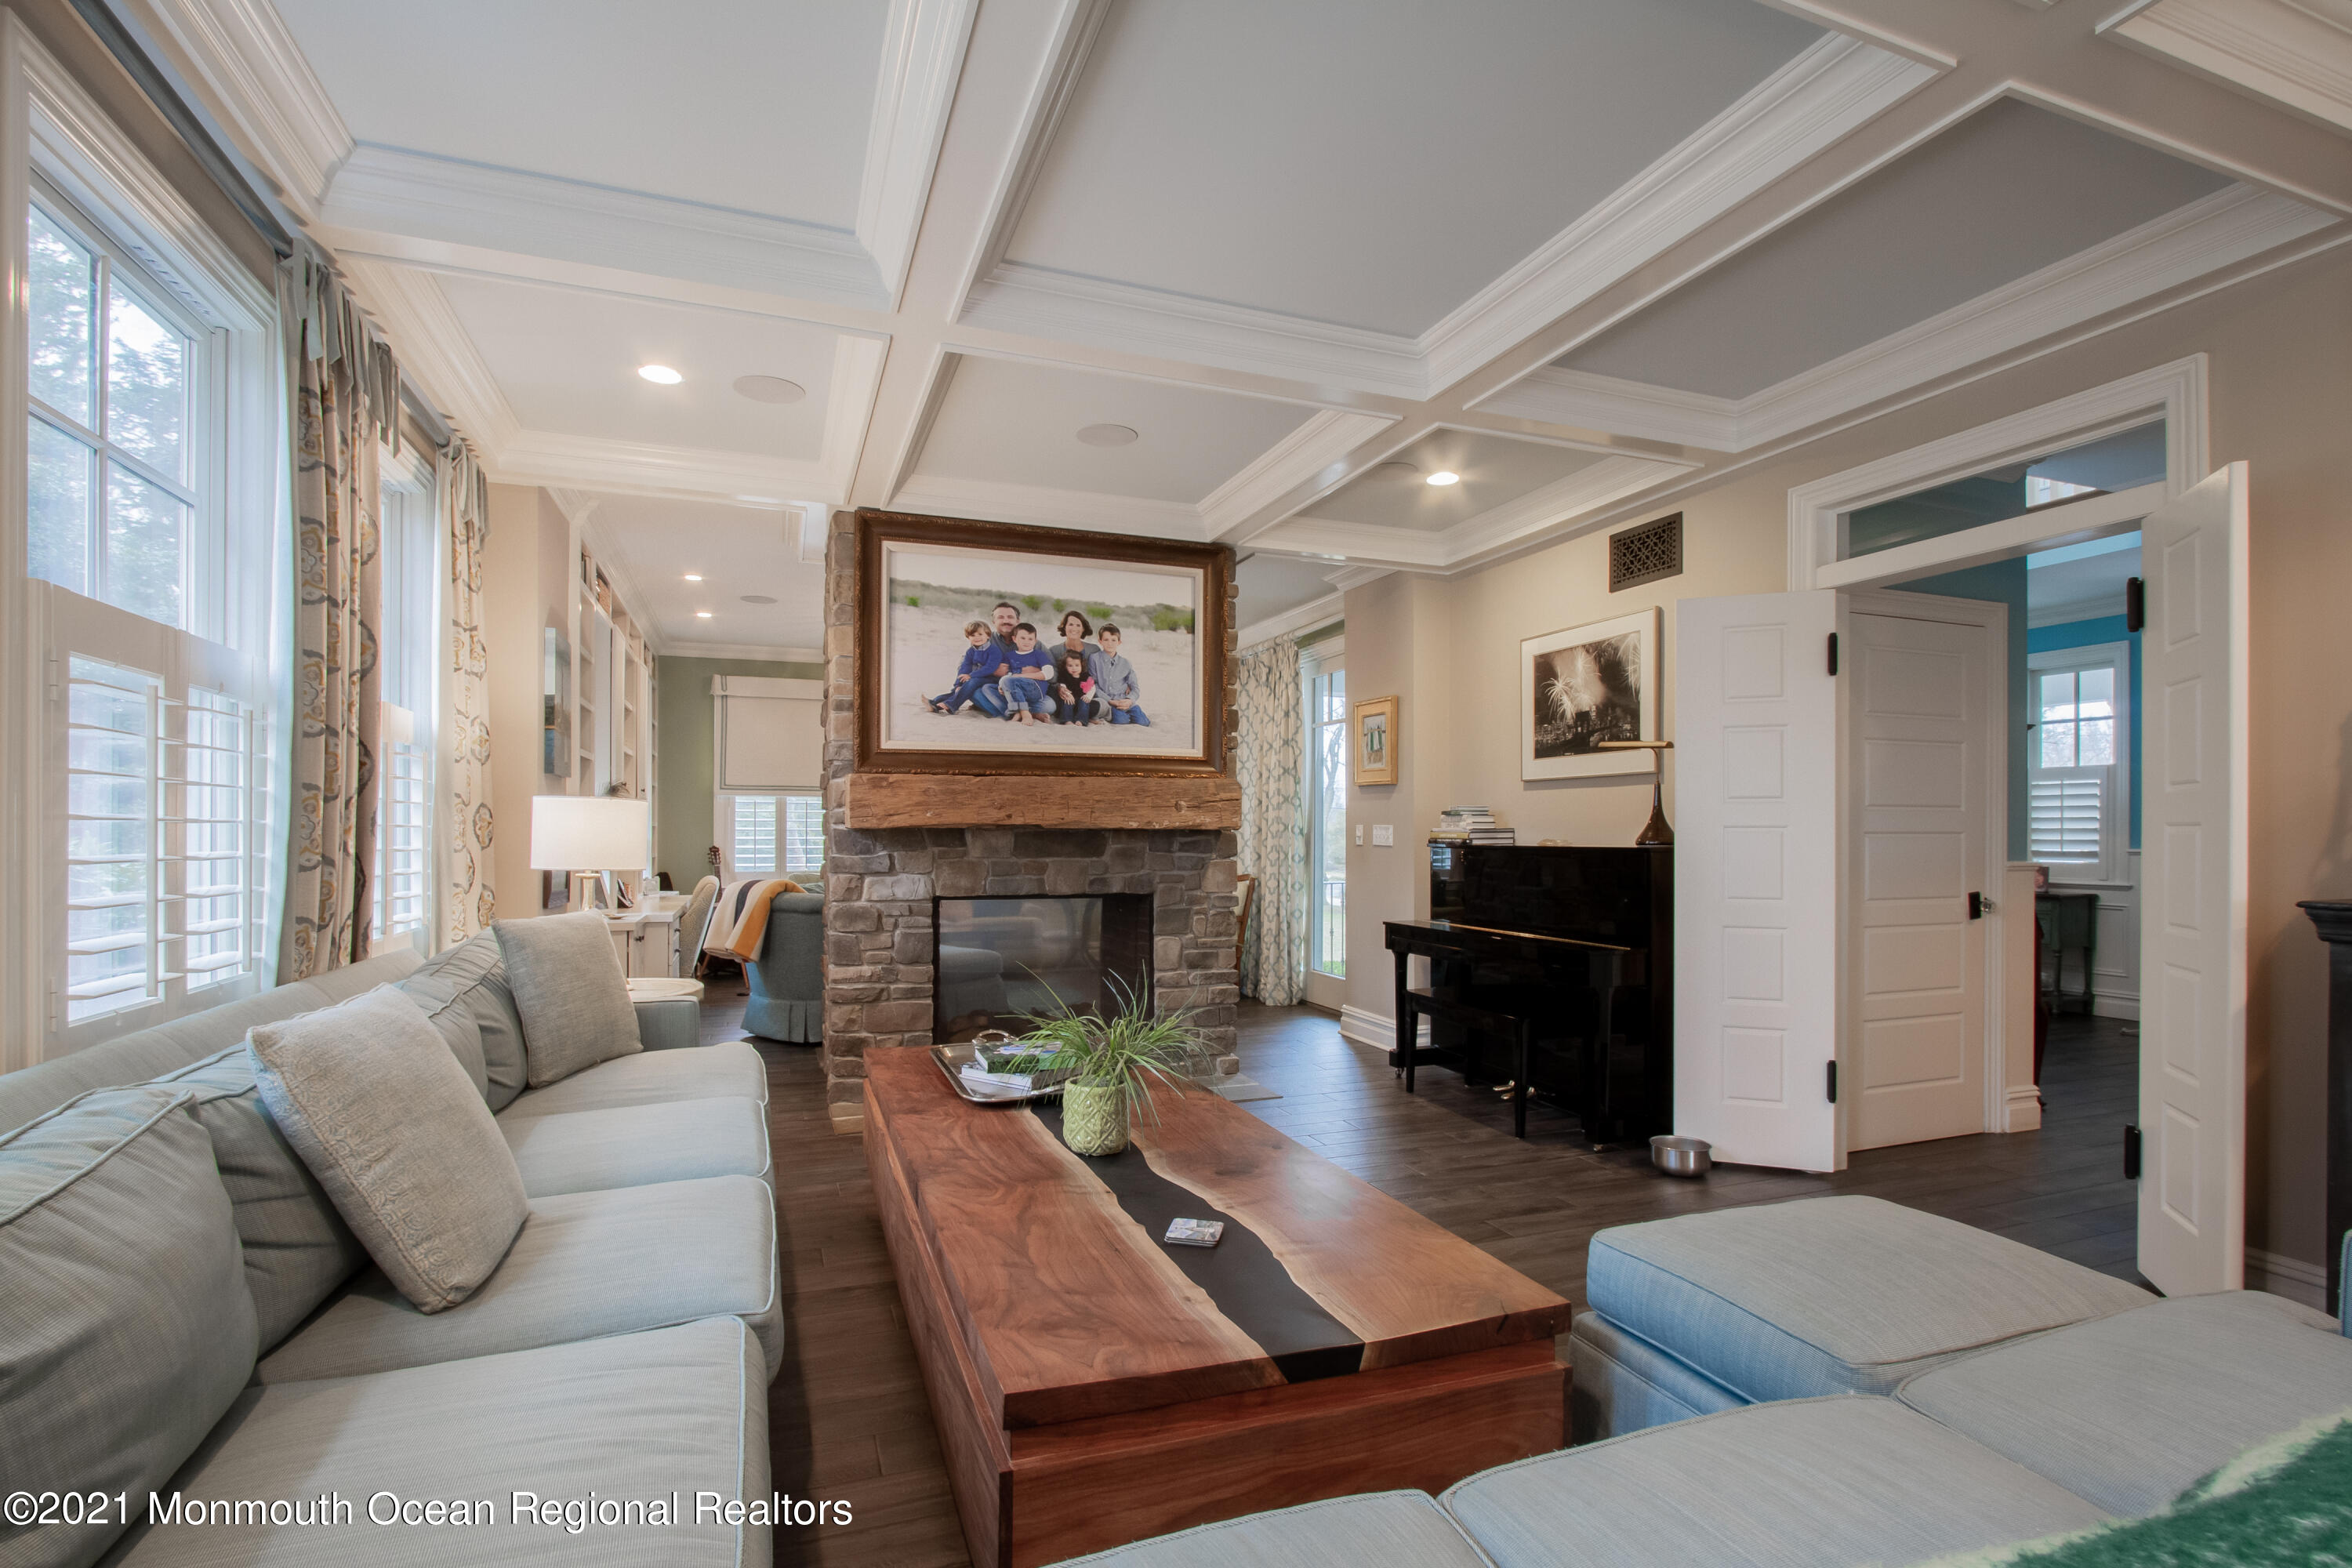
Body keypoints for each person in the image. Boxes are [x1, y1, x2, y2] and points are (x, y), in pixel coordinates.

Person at [966, 601, 1025, 718]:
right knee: (972, 691)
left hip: (1020, 689)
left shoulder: (1028, 638)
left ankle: (1023, 711)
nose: (1006, 621)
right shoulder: (985, 638)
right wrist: (992, 670)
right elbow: (967, 663)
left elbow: (1050, 669)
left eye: (1010, 617)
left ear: (1017, 621)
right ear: (994, 622)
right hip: (992, 687)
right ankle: (1011, 714)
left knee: (1049, 706)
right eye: (1001, 617)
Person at [928, 621, 1000, 714]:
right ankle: (934, 704)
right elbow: (965, 667)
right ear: (968, 637)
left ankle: (952, 705)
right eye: (973, 635)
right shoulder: (971, 651)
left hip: (991, 678)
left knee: (971, 682)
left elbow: (990, 668)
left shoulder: (994, 651)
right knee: (957, 690)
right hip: (975, 677)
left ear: (988, 635)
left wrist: (971, 676)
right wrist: (958, 685)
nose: (977, 637)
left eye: (980, 634)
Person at [1088, 622, 1149, 725]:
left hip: (1125, 701)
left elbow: (1135, 687)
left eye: (1113, 640)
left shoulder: (1126, 663)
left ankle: (1132, 711)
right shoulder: (1094, 659)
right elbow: (1094, 685)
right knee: (1121, 720)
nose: (1110, 643)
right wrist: (1111, 701)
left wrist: (1130, 700)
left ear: (1119, 642)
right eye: (1106, 640)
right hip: (1109, 702)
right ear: (1100, 641)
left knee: (1143, 722)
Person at [1000, 623, 1057, 724]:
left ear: (1035, 641)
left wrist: (1020, 676)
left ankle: (1022, 712)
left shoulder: (1038, 654)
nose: (1027, 642)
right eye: (1023, 638)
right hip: (1016, 691)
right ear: (1014, 639)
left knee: (1050, 706)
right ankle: (1030, 713)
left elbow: (1049, 674)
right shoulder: (1009, 656)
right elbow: (1006, 675)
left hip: (1034, 689)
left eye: (1030, 639)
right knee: (990, 687)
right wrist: (1003, 686)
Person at [1051, 648, 1096, 724]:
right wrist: (1068, 695)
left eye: (1077, 665)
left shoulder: (1085, 676)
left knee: (1084, 703)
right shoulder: (1065, 676)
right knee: (1067, 702)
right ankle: (1067, 720)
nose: (1074, 668)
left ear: (1082, 665)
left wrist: (1088, 696)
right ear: (1065, 666)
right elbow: (1063, 686)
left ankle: (1081, 720)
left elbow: (1092, 687)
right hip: (1070, 697)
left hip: (1081, 698)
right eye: (1070, 666)